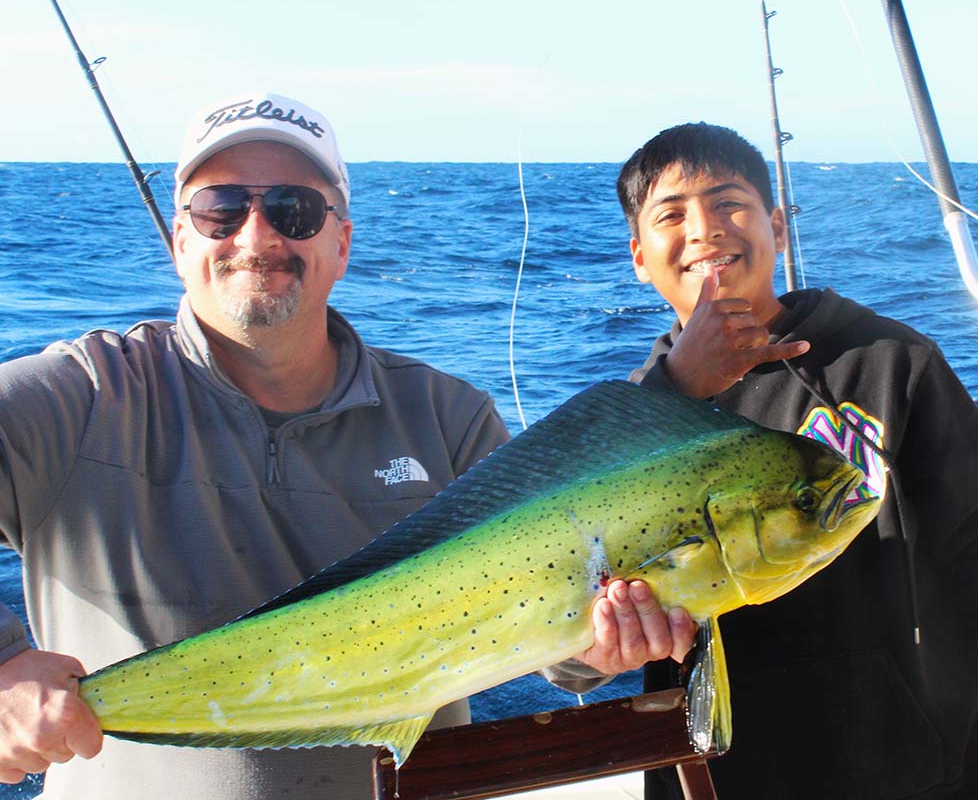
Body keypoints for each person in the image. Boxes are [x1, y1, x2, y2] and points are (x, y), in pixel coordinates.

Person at [0, 91, 689, 799]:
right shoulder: (79, 397)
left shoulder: (446, 416)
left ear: (341, 243)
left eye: (294, 209)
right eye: (221, 209)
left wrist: (601, 646)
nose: (258, 236)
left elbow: (564, 658)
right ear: (180, 240)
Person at [614, 122, 978, 799]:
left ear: (777, 224)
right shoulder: (623, 431)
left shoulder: (893, 364)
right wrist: (673, 391)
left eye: (729, 202)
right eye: (671, 214)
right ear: (639, 256)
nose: (706, 228)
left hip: (932, 777)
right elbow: (576, 636)